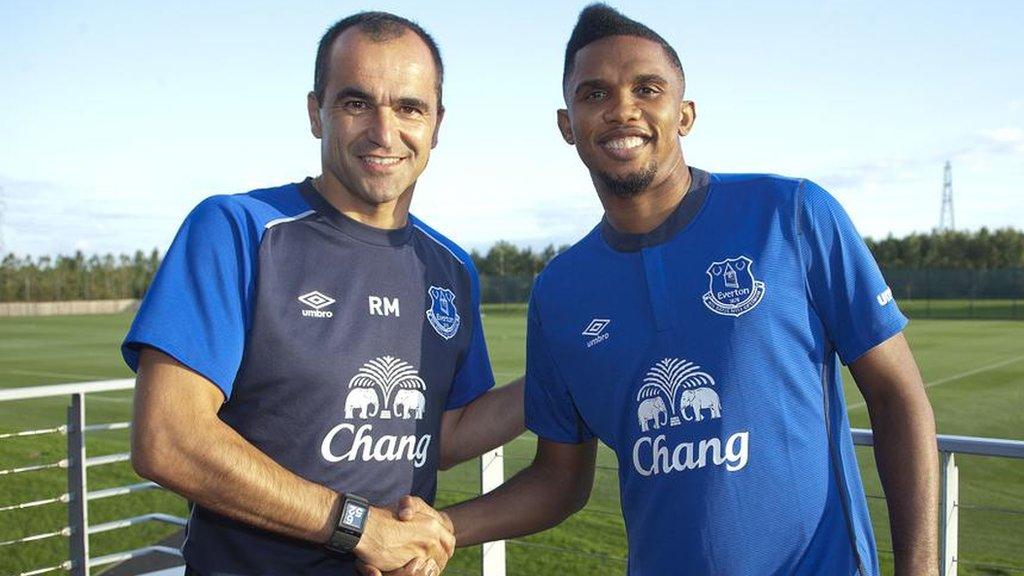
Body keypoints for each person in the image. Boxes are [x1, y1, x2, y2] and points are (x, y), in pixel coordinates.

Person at [378, 4, 940, 575]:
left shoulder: (790, 216)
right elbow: (559, 480)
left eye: (647, 89)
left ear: (685, 113)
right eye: (594, 94)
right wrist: (444, 528)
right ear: (567, 124)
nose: (623, 110)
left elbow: (898, 398)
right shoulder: (560, 290)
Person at [122, 11, 523, 576]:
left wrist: (558, 378)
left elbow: (440, 433)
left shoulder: (452, 268)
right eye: (357, 103)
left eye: (409, 107)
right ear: (316, 113)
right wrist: (356, 527)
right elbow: (168, 436)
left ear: (437, 124)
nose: (385, 133)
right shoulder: (238, 229)